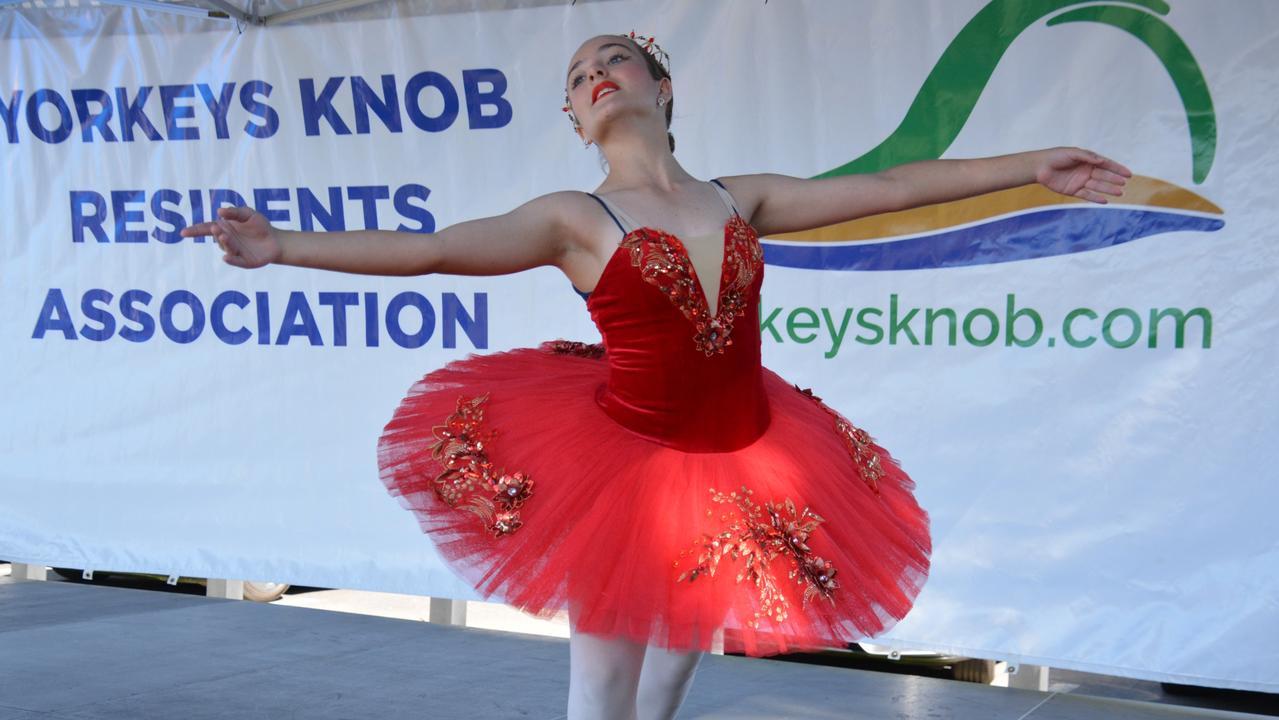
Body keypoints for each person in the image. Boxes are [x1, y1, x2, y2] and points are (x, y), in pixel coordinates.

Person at [182, 31, 1130, 720]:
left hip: (746, 449)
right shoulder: (574, 217)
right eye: (579, 77)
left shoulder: (739, 197)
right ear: (573, 117)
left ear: (662, 88)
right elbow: (433, 249)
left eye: (613, 62)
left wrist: (1028, 167)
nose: (596, 77)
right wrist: (284, 249)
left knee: (676, 668)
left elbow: (886, 190)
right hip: (626, 461)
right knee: (601, 685)